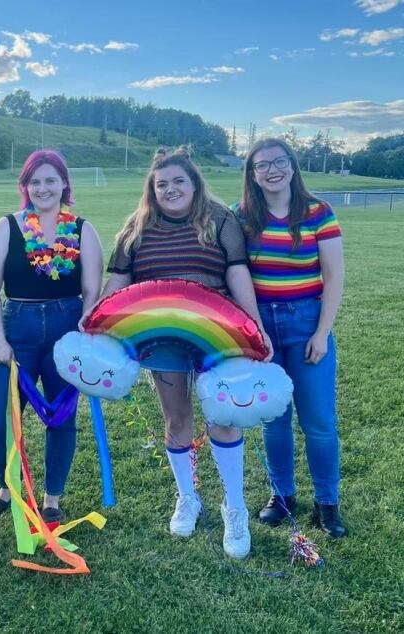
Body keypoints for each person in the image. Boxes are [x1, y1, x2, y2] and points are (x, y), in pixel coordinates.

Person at [99, 148, 272, 559]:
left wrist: (255, 324)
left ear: (194, 183)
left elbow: (236, 271)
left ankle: (235, 508)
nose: (170, 189)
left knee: (224, 417)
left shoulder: (220, 220)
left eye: (179, 181)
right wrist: (95, 324)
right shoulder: (136, 227)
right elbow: (120, 279)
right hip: (162, 341)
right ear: (152, 190)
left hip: (220, 336)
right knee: (177, 418)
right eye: (162, 184)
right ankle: (188, 498)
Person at [0, 149, 104, 523]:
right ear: (25, 186)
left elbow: (92, 292)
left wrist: (83, 336)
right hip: (18, 325)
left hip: (66, 327)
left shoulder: (83, 229)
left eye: (50, 180)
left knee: (61, 417)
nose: (43, 188)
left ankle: (52, 498)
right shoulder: (8, 226)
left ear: (64, 183)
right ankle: (7, 486)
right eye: (35, 181)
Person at [235, 138, 346, 537]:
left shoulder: (318, 212)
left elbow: (333, 276)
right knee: (274, 420)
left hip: (306, 324)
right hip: (262, 326)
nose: (272, 170)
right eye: (262, 165)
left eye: (279, 161)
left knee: (318, 421)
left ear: (293, 166)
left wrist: (322, 332)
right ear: (252, 174)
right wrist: (253, 330)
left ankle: (327, 503)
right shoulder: (242, 216)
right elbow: (237, 275)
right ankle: (282, 496)